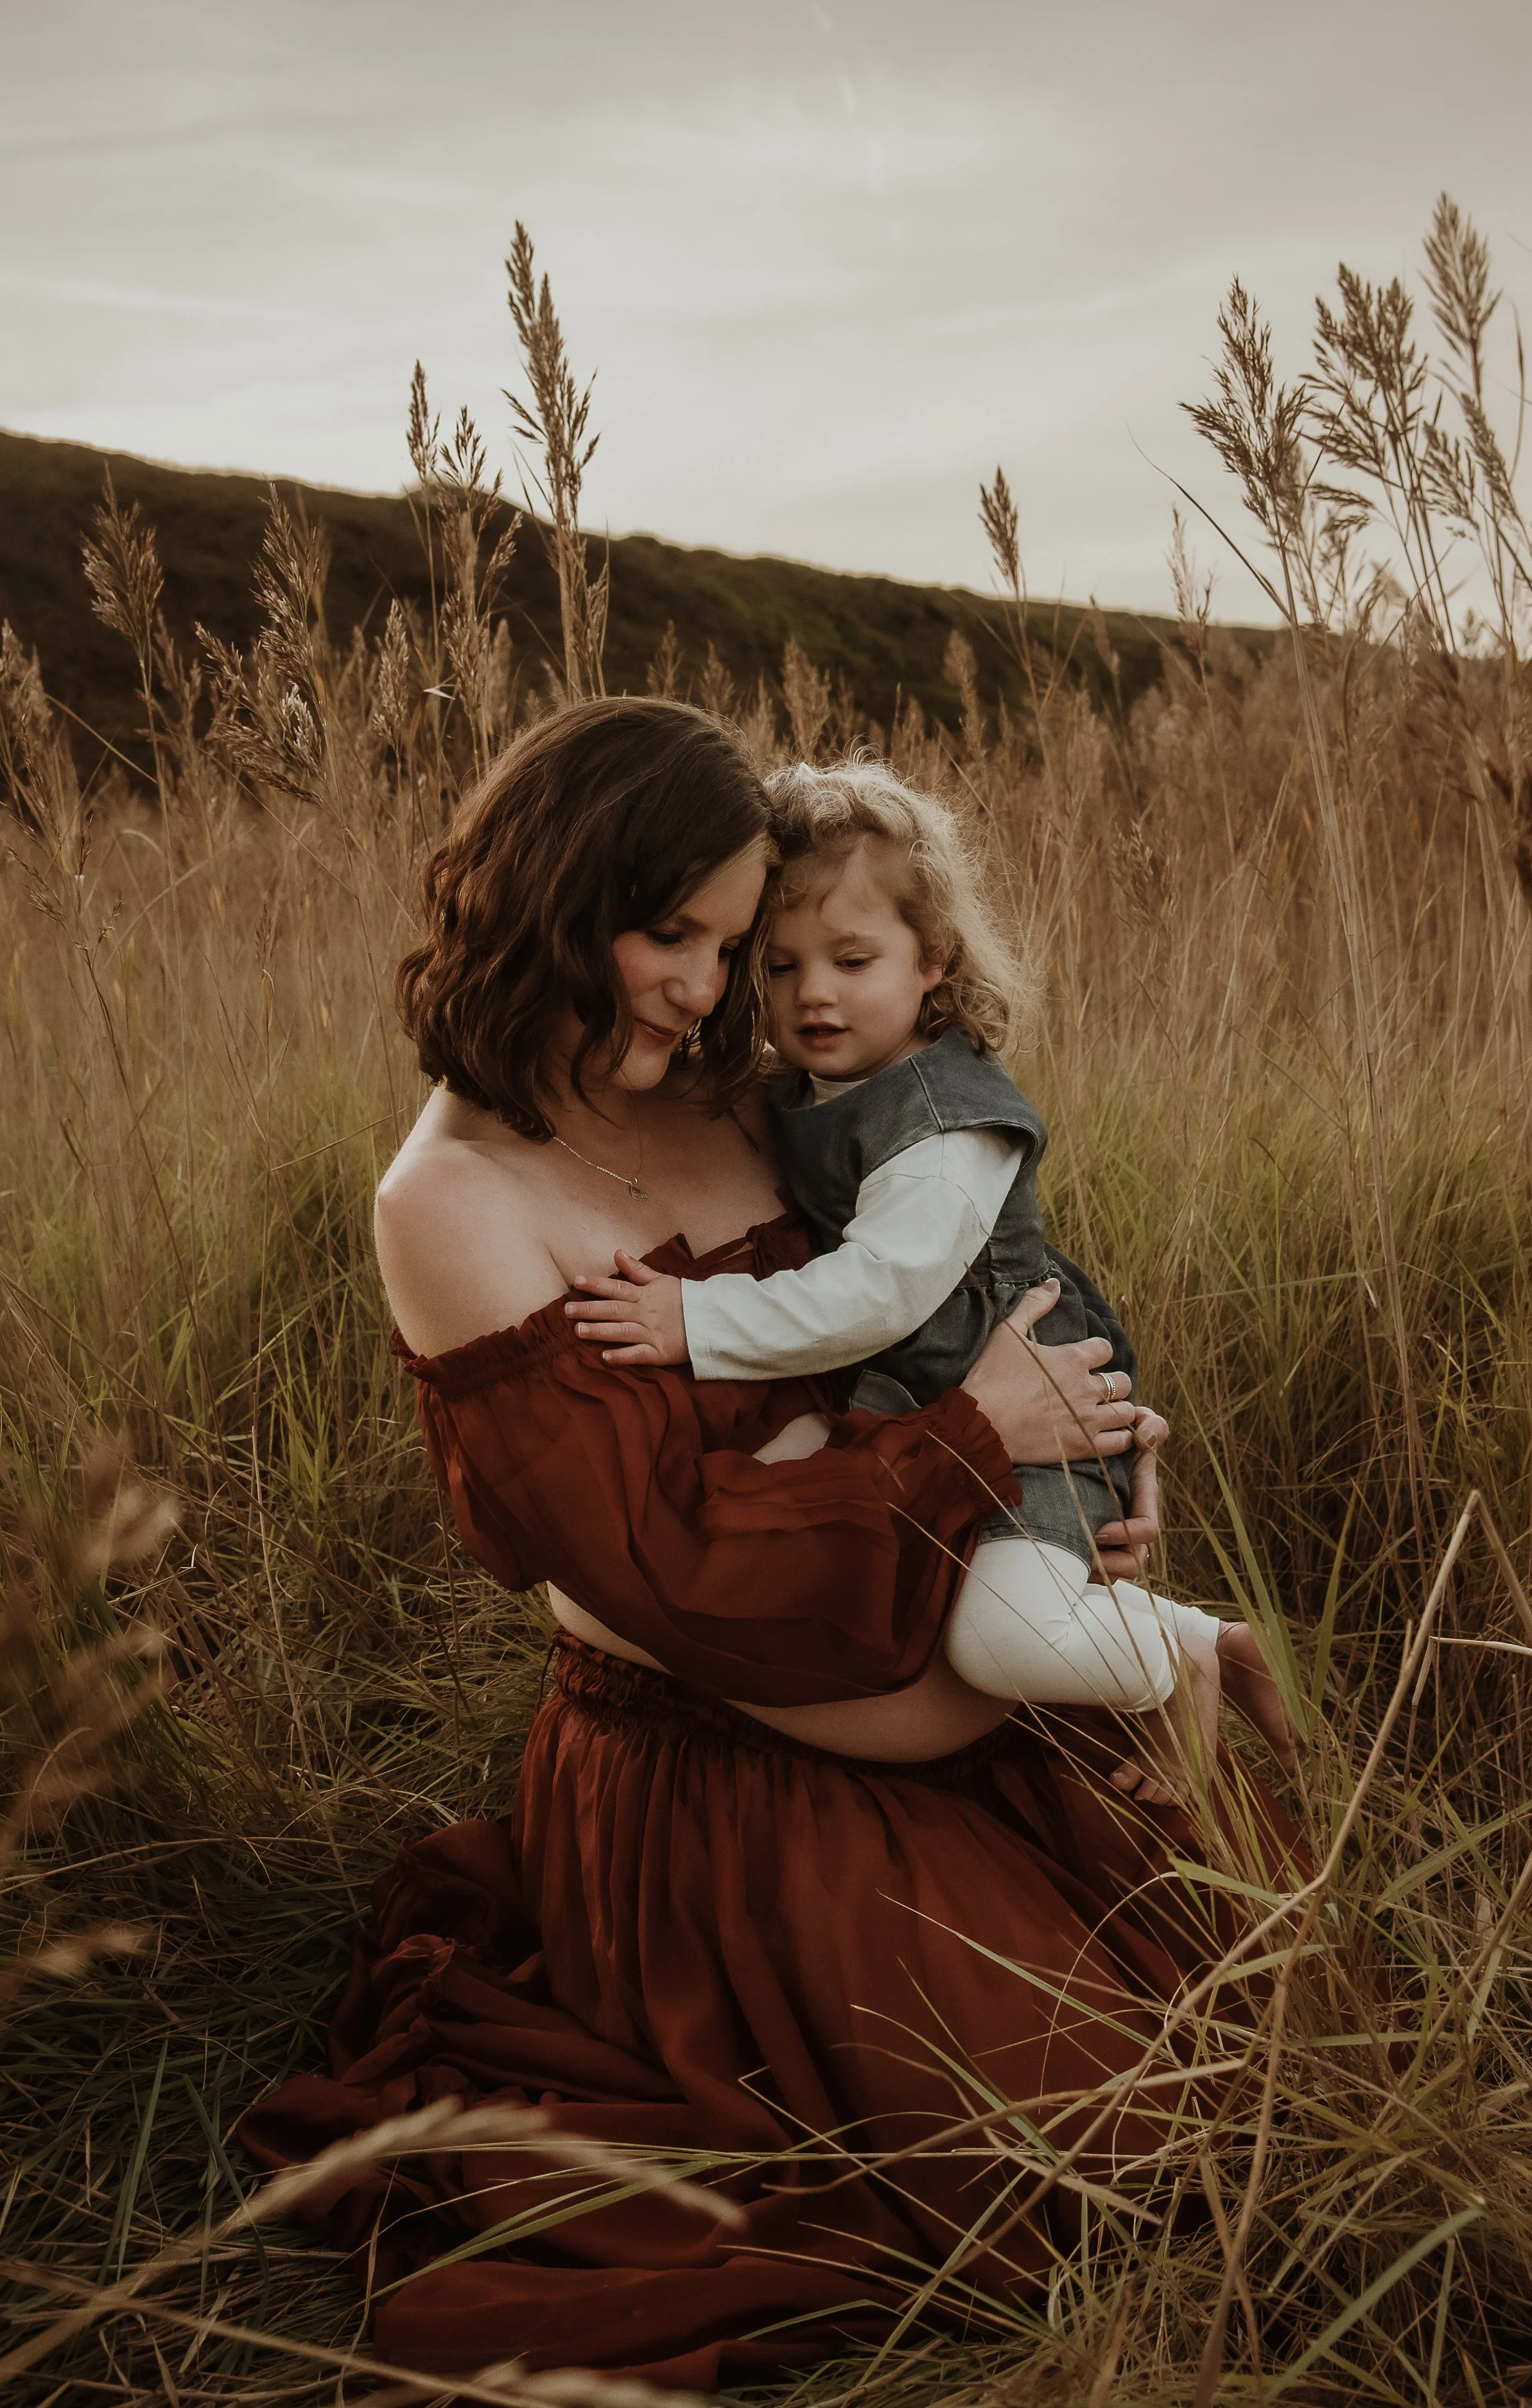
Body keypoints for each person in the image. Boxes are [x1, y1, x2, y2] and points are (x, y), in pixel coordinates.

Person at [240, 698, 1300, 2393]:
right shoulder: (447, 1204)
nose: (704, 987)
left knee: (1251, 2073)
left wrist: (1087, 1454)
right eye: (671, 934)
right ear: (553, 898)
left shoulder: (740, 1085)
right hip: (730, 1776)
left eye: (729, 945)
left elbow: (938, 1300)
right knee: (1066, 2164)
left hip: (964, 1656)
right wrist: (980, 1443)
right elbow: (668, 1567)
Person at [562, 758, 1294, 1794]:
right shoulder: (819, 1083)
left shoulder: (946, 1127)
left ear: (934, 957)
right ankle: (1206, 1638)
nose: (813, 992)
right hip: (927, 1409)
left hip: (1028, 1420)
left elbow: (883, 1292)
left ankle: (1174, 1667)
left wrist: (697, 1317)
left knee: (994, 1641)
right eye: (778, 965)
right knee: (850, 1539)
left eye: (852, 959)